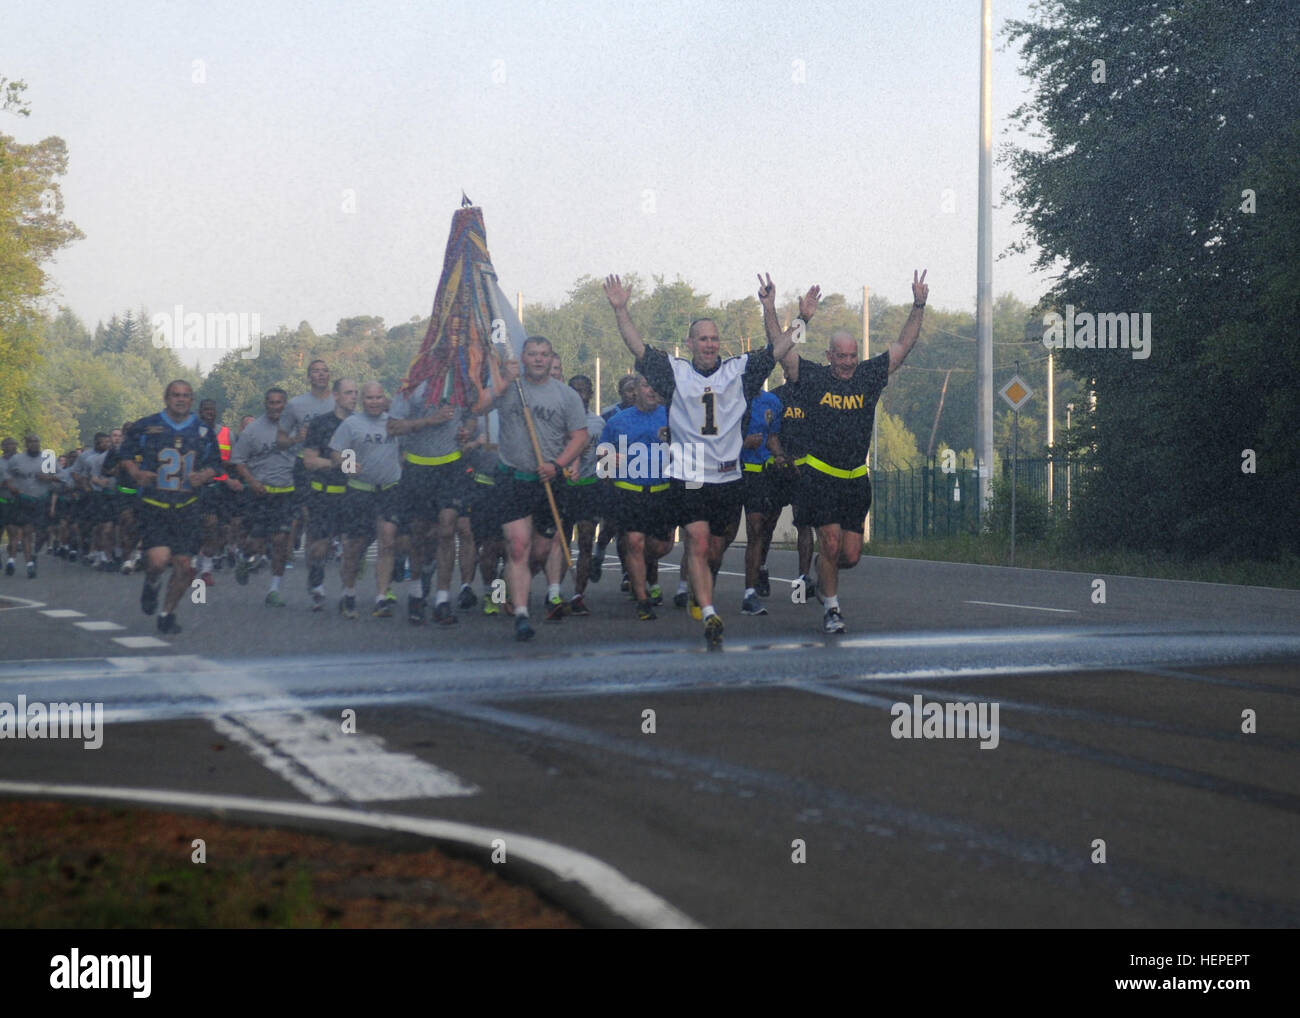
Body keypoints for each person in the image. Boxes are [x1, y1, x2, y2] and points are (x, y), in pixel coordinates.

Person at [603, 271, 818, 647]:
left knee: (715, 550)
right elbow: (637, 347)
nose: (709, 344)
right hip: (688, 476)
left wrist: (803, 318)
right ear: (690, 343)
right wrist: (622, 309)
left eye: (714, 338)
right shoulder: (674, 372)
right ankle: (710, 612)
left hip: (728, 478)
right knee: (698, 543)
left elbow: (780, 349)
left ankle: (704, 595)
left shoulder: (739, 371)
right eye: (702, 338)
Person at [780, 270, 929, 633]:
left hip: (855, 480)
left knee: (849, 555)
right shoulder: (813, 377)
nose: (847, 362)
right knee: (829, 541)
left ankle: (822, 569)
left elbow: (903, 345)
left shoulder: (867, 376)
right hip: (820, 477)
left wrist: (919, 304)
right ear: (829, 355)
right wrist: (800, 318)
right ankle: (832, 609)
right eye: (841, 356)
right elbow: (781, 351)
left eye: (852, 356)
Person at [483, 336, 588, 641]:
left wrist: (558, 464)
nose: (539, 359)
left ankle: (513, 582)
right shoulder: (511, 387)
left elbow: (579, 437)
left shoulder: (565, 395)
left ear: (551, 357)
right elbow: (478, 407)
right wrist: (502, 383)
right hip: (513, 478)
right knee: (517, 545)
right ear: (524, 358)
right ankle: (521, 614)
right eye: (533, 354)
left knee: (540, 550)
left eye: (544, 354)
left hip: (548, 481)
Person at [121, 380, 221, 634]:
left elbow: (215, 463)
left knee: (185, 566)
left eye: (186, 396)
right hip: (155, 504)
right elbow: (125, 454)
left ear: (192, 400)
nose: (181, 399)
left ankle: (167, 613)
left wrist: (204, 475)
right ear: (166, 398)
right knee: (158, 561)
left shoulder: (202, 430)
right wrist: (136, 472)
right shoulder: (147, 426)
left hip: (187, 506)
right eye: (176, 395)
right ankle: (152, 581)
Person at [388, 374, 477, 626]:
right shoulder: (411, 386)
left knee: (448, 529)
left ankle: (442, 599)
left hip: (451, 466)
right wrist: (429, 420)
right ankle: (416, 594)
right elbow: (393, 426)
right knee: (419, 535)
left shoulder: (461, 383)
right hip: (418, 467)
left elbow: (471, 415)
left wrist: (466, 430)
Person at [599, 374, 675, 620]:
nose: (651, 390)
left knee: (661, 546)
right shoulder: (617, 422)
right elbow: (602, 457)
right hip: (629, 492)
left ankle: (638, 568)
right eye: (645, 385)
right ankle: (643, 600)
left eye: (654, 385)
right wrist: (609, 459)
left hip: (662, 493)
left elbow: (688, 448)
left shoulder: (671, 416)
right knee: (634, 542)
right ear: (635, 390)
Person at [329, 381, 403, 619]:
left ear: (384, 399)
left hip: (389, 490)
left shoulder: (394, 423)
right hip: (359, 491)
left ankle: (381, 597)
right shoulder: (351, 424)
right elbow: (336, 452)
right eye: (369, 398)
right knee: (355, 547)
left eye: (378, 398)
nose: (374, 402)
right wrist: (347, 464)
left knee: (388, 542)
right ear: (362, 400)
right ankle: (348, 593)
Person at [544, 374, 606, 617]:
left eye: (584, 390)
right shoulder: (560, 420)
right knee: (560, 541)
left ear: (590, 394)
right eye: (575, 390)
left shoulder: (598, 423)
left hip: (589, 486)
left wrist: (601, 458)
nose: (580, 395)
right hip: (564, 486)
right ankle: (555, 592)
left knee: (586, 541)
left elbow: (607, 454)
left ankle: (579, 594)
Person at [230, 387, 298, 606]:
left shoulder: (295, 428)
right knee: (255, 543)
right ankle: (243, 558)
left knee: (280, 541)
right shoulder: (253, 431)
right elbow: (238, 461)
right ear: (265, 404)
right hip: (261, 493)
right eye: (271, 402)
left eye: (280, 402)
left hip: (286, 493)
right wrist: (252, 482)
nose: (275, 407)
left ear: (285, 405)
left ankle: (274, 590)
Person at [300, 378, 357, 610]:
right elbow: (309, 461)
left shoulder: (361, 423)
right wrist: (338, 464)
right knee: (320, 546)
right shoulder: (321, 424)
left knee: (352, 544)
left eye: (355, 392)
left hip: (353, 493)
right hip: (324, 494)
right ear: (335, 396)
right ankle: (316, 579)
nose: (353, 397)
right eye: (348, 392)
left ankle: (348, 593)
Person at [3, 433, 57, 578]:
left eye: (36, 441)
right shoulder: (16, 459)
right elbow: (7, 476)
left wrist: (49, 477)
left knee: (40, 533)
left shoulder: (48, 459)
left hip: (41, 501)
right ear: (26, 444)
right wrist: (11, 486)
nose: (34, 444)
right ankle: (17, 562)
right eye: (31, 441)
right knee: (19, 532)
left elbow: (61, 477)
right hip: (21, 500)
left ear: (40, 442)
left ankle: (33, 554)